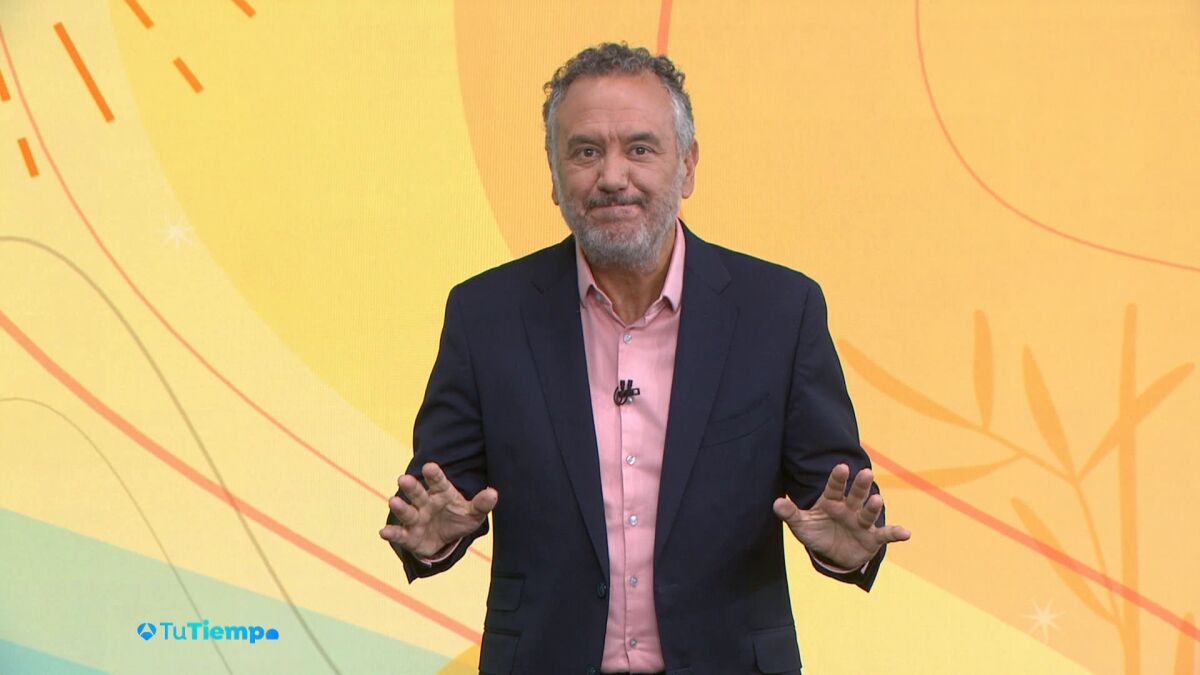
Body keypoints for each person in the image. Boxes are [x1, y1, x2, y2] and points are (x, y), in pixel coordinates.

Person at [379, 42, 910, 675]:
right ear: (553, 175)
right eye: (585, 152)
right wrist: (432, 542)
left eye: (640, 148)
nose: (612, 177)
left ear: (687, 166)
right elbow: (439, 500)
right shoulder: (486, 314)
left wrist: (847, 551)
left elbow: (835, 504)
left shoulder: (779, 311)